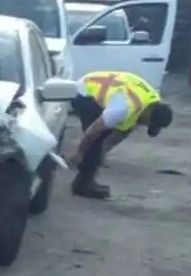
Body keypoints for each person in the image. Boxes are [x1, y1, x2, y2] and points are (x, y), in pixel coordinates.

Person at [63, 70, 172, 199]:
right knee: (96, 141)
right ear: (148, 115)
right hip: (85, 92)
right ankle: (82, 185)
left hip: (112, 92)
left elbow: (125, 130)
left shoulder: (151, 103)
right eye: (147, 124)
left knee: (99, 148)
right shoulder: (123, 108)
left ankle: (87, 175)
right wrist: (79, 152)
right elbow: (94, 131)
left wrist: (104, 151)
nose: (144, 126)